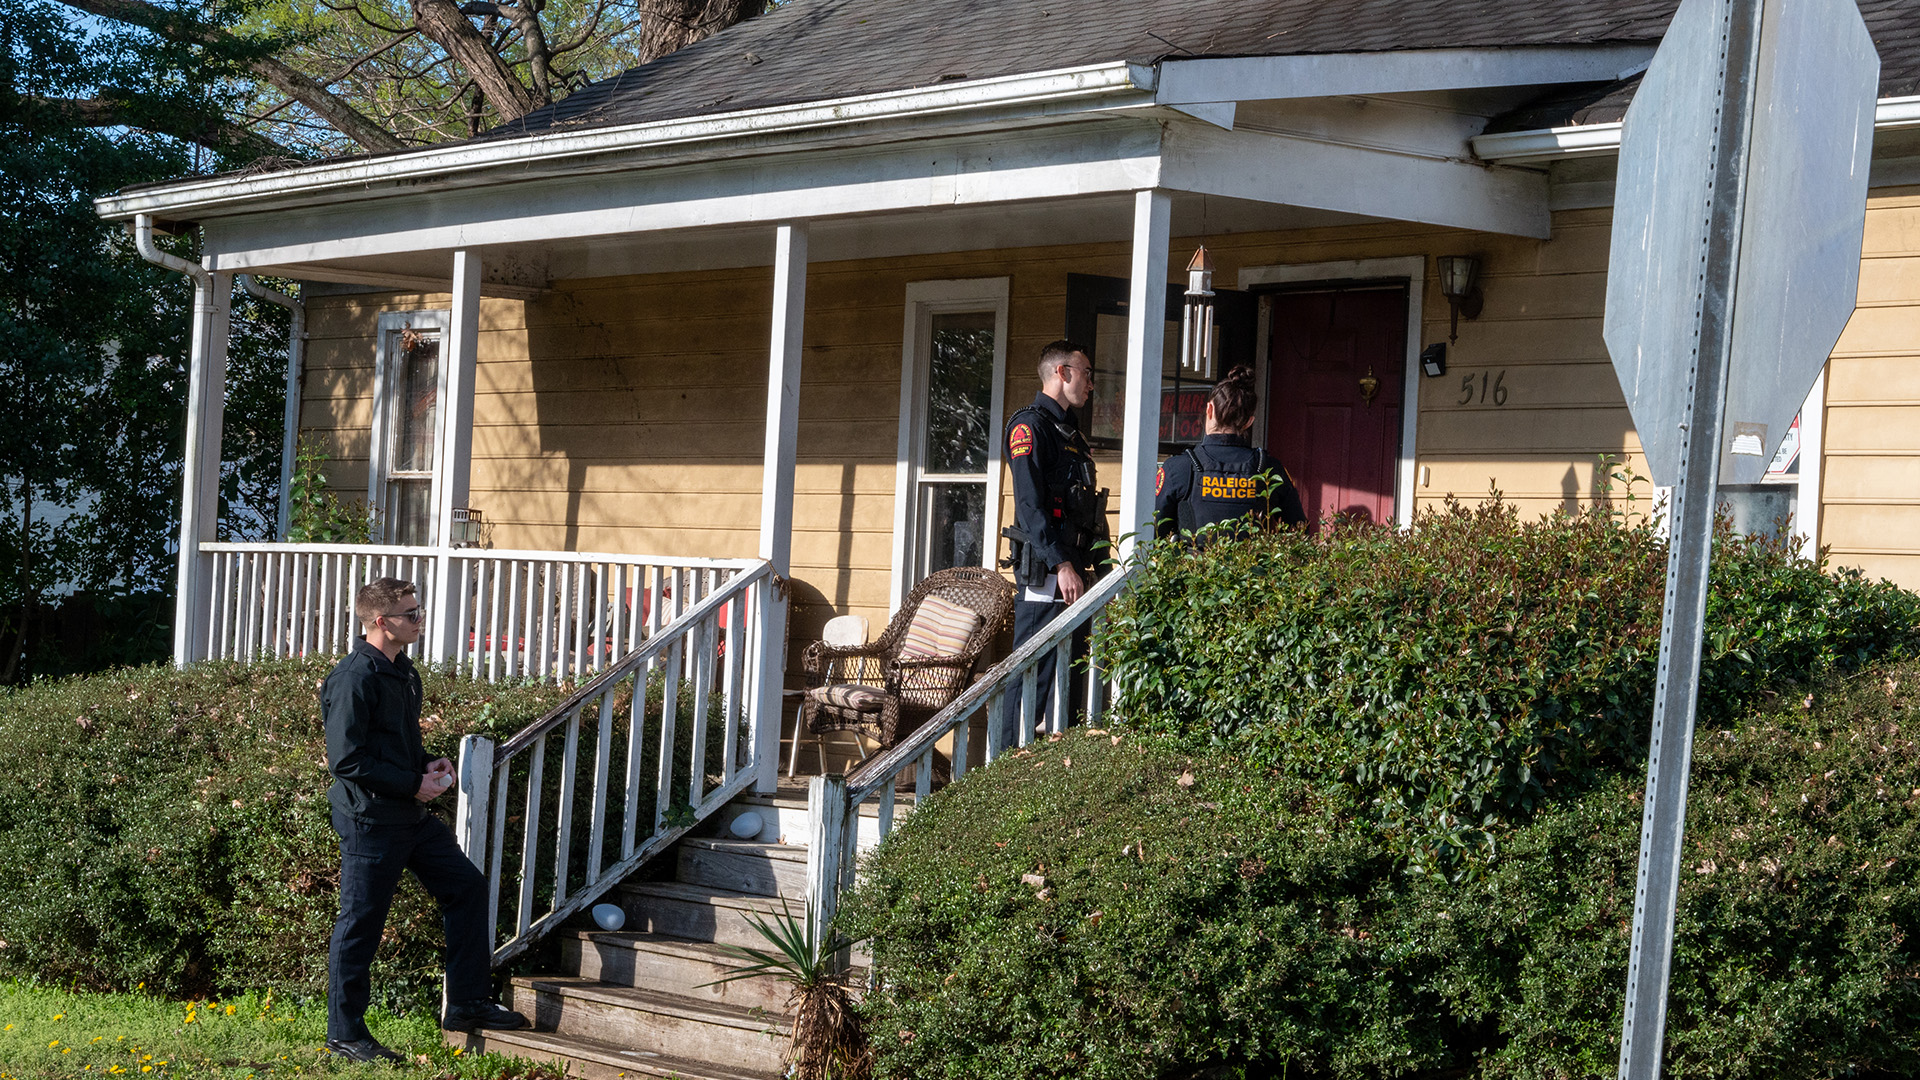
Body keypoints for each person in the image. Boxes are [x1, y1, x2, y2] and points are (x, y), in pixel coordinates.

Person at [321, 577, 527, 1063]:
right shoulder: (355, 677)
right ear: (380, 622)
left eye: (419, 610)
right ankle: (345, 1035)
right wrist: (412, 783)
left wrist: (427, 765)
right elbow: (346, 760)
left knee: (467, 888)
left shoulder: (403, 671)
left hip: (408, 816)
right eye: (410, 614)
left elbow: (393, 745)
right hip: (370, 819)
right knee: (360, 924)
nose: (419, 620)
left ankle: (467, 1003)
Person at [998, 339, 1108, 751]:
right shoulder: (1030, 427)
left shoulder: (1072, 434)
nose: (1091, 384)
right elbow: (1030, 506)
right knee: (1031, 678)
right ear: (1062, 373)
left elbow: (1086, 509)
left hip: (1076, 575)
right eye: (1086, 373)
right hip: (1046, 576)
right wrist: (1061, 564)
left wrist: (1097, 567)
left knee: (1070, 678)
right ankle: (1002, 772)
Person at [1153, 366, 1306, 540]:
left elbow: (1154, 533)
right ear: (1249, 422)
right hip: (1252, 566)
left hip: (1192, 566)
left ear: (1209, 409)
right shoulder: (1270, 470)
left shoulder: (1178, 469)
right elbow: (1299, 533)